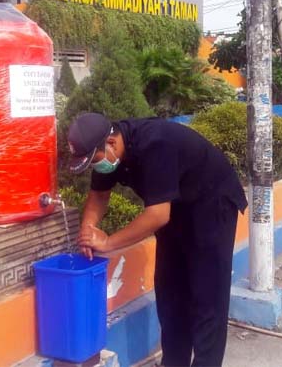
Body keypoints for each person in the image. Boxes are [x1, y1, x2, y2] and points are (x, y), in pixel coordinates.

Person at [67, 112, 247, 367]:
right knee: (170, 292)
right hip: (176, 208)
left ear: (111, 143)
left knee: (207, 295)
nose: (97, 167)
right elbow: (98, 196)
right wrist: (88, 231)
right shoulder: (109, 156)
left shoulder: (155, 144)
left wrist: (107, 242)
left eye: (94, 161)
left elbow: (158, 215)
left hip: (212, 203)